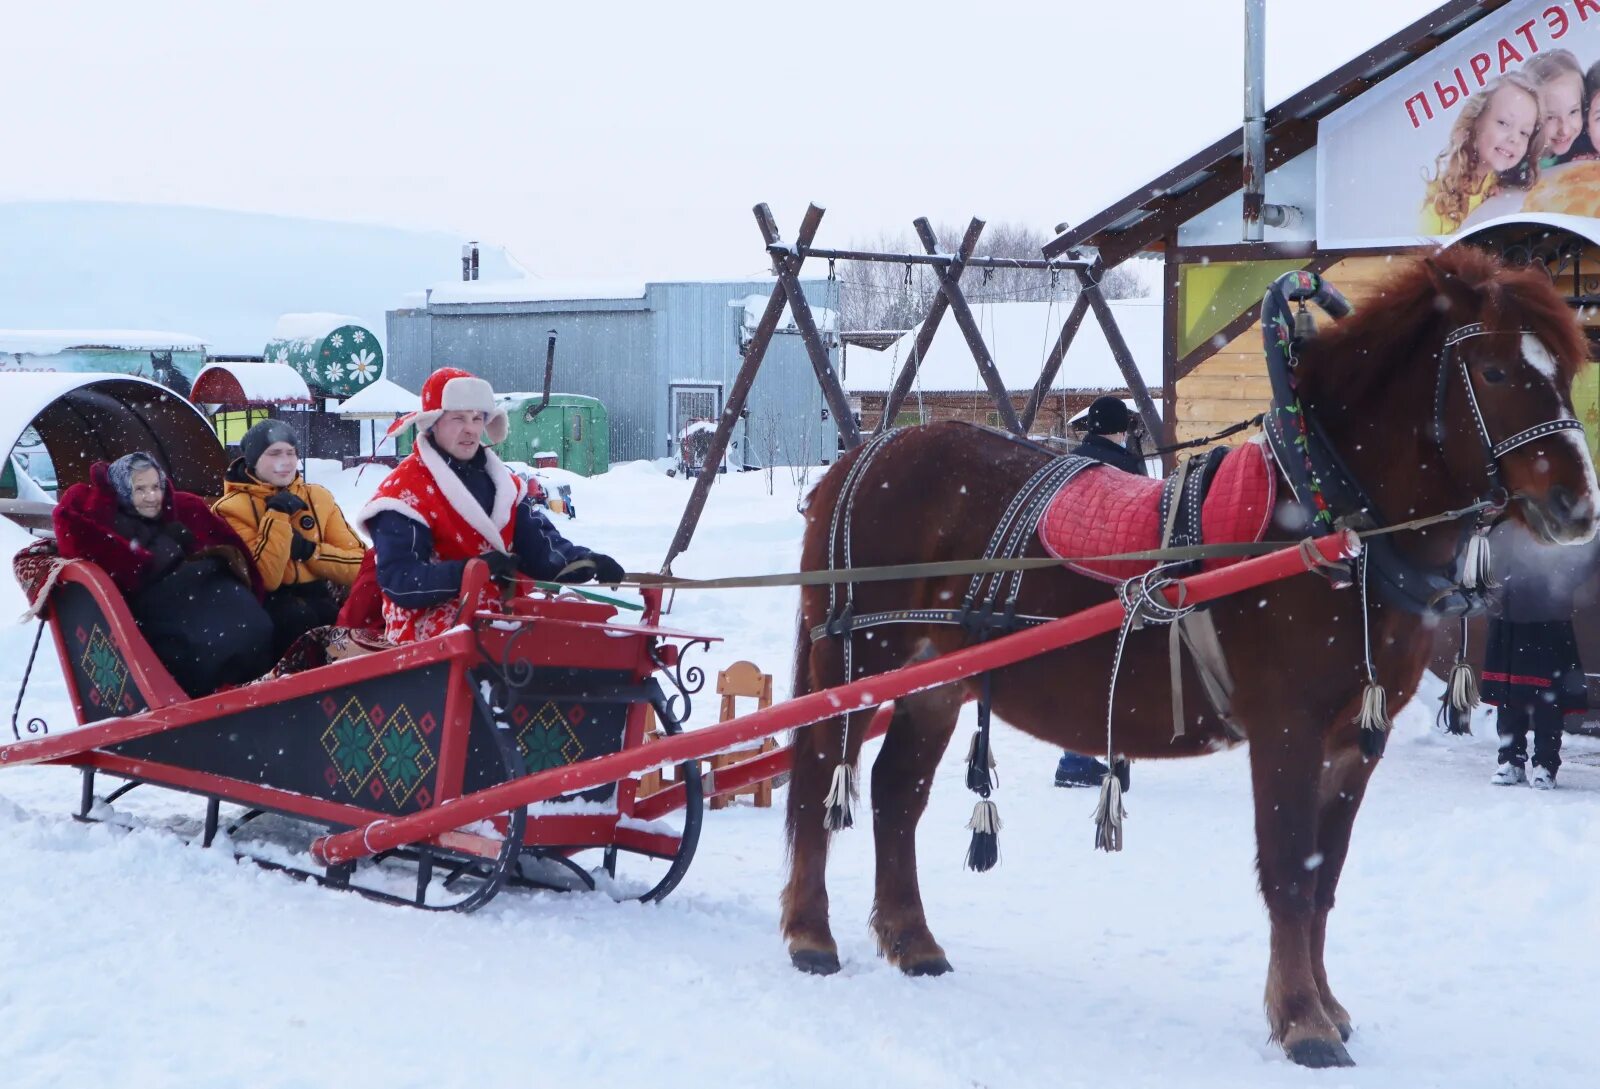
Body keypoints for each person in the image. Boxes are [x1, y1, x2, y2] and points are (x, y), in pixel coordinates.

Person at [354, 367, 625, 644]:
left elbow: (541, 552)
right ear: (433, 423)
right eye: (458, 418)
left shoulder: (504, 485)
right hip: (428, 627)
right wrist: (470, 571)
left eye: (477, 418)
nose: (470, 429)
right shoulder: (404, 492)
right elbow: (401, 580)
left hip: (499, 614)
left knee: (567, 635)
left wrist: (587, 562)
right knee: (499, 641)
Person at [52, 451, 274, 698]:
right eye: (140, 489)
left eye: (156, 487)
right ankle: (213, 691)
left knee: (253, 622)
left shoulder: (176, 513)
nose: (151, 497)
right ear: (124, 492)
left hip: (200, 585)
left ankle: (249, 681)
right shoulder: (113, 524)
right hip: (160, 600)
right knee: (203, 642)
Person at [211, 419, 367, 657]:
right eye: (274, 454)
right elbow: (266, 578)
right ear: (253, 459)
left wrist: (309, 551)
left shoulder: (318, 497)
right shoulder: (230, 509)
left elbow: (361, 566)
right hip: (271, 612)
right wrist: (277, 515)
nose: (285, 462)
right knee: (295, 618)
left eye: (290, 453)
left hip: (322, 601)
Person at [1055, 396, 1146, 789]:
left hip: (1068, 571)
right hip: (1113, 577)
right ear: (1119, 428)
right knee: (1113, 668)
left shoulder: (1070, 461)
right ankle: (1097, 753)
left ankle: (1075, 755)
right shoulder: (1125, 466)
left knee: (1078, 667)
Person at [1483, 528, 1589, 790]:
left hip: (1548, 620)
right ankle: (1511, 761)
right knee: (1508, 696)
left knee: (1547, 698)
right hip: (1508, 617)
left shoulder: (1560, 518)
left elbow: (1583, 559)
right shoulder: (1507, 516)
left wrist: (1558, 580)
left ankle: (1545, 765)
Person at [1419, 72, 1541, 234]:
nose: (1514, 139)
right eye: (1503, 123)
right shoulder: (1436, 201)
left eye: (1524, 132)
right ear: (1476, 121)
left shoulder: (1496, 181)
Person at [1527, 50, 1586, 167]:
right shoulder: (1516, 164)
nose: (1564, 130)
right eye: (1550, 117)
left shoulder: (1587, 145)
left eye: (1573, 111)